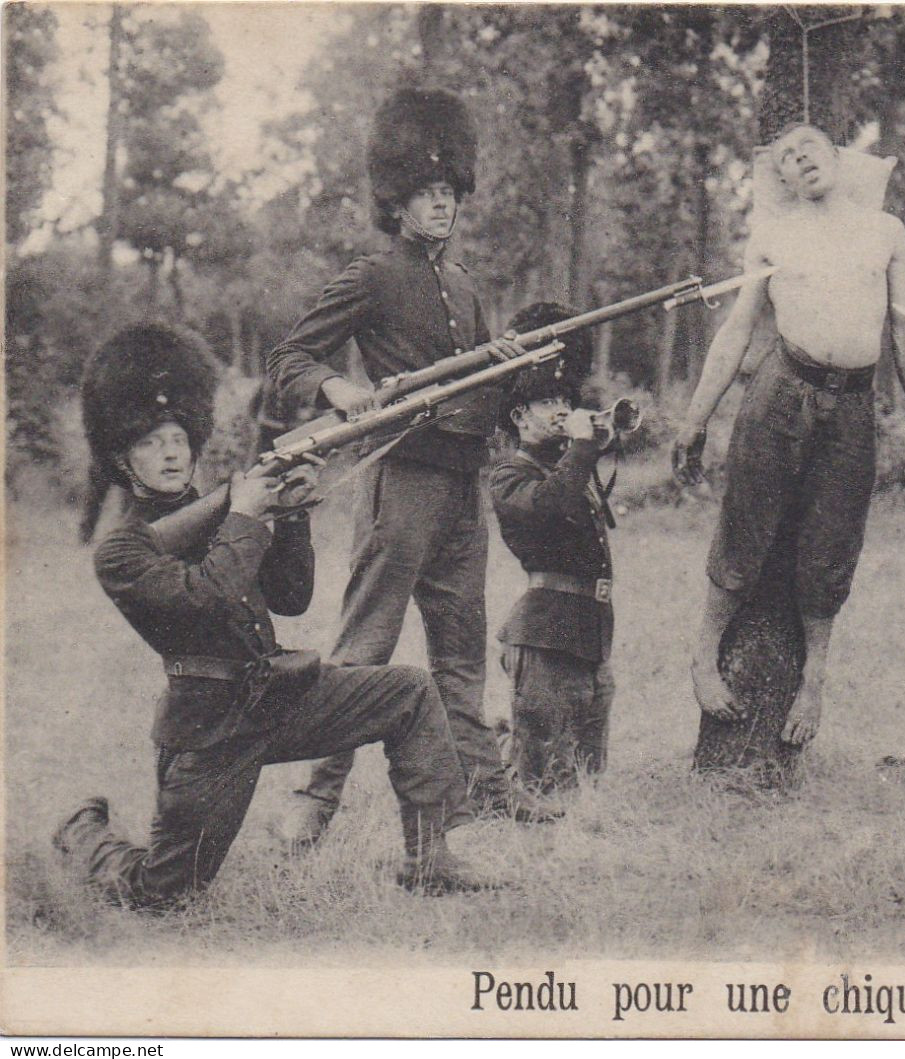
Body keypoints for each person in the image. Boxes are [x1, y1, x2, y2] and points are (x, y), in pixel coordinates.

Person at [53, 324, 503, 909]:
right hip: (208, 732)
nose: (170, 452)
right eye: (149, 442)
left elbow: (292, 597)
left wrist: (290, 514)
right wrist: (244, 515)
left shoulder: (223, 509)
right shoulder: (124, 550)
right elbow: (205, 598)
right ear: (120, 456)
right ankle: (83, 833)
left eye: (178, 438)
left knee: (411, 692)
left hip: (275, 695)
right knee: (163, 896)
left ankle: (431, 860)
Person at [266, 87, 527, 842]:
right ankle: (315, 800)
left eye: (448, 193)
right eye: (424, 194)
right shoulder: (372, 276)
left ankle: (481, 786)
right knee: (364, 647)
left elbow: (478, 389)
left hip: (462, 486)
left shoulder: (467, 285)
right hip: (400, 480)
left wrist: (506, 365)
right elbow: (292, 357)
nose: (440, 206)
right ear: (396, 202)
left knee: (460, 647)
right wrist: (339, 388)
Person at [672, 121, 905, 747]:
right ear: (781, 178)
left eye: (809, 148)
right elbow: (736, 330)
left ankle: (814, 679)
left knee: (832, 541)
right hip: (780, 393)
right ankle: (704, 653)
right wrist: (694, 418)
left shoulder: (885, 231)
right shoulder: (773, 233)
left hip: (852, 407)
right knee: (747, 523)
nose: (800, 160)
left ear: (837, 160)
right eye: (787, 157)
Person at [487, 303, 616, 814]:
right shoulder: (509, 474)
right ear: (519, 416)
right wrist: (582, 451)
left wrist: (590, 449)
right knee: (541, 778)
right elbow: (550, 506)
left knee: (588, 769)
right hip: (545, 632)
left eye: (565, 399)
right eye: (547, 403)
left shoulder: (567, 465)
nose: (561, 409)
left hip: (588, 627)